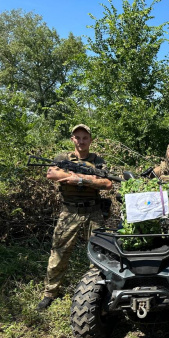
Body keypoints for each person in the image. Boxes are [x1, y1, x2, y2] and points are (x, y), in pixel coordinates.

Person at [37, 124, 113, 310]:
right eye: (77, 137)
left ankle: (97, 291)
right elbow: (52, 173)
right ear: (72, 139)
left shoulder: (98, 160)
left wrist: (79, 179)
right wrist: (87, 180)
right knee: (59, 252)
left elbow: (107, 182)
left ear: (90, 140)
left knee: (98, 254)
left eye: (85, 138)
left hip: (93, 211)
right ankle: (50, 293)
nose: (81, 141)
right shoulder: (63, 158)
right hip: (69, 211)